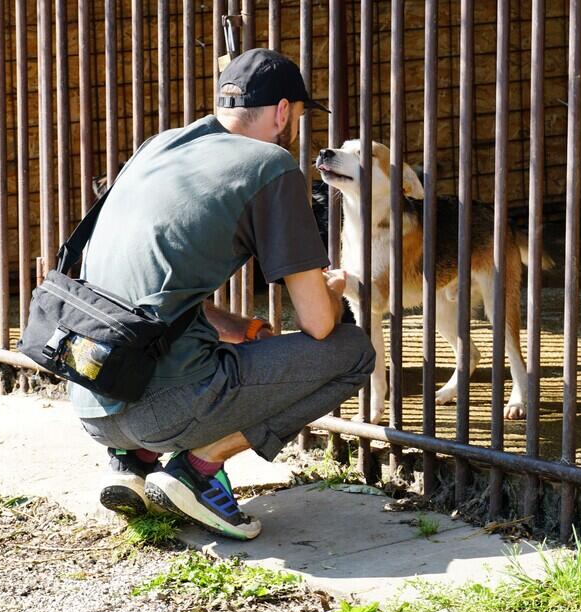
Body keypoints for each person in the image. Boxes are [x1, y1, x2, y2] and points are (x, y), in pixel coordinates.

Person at [70, 48, 376, 541]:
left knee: (213, 347)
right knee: (352, 352)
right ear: (282, 113)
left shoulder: (158, 147)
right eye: (298, 116)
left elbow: (156, 290)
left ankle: (133, 461)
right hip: (166, 409)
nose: (296, 127)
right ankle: (196, 467)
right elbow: (319, 323)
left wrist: (240, 328)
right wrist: (333, 288)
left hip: (90, 398)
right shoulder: (271, 166)